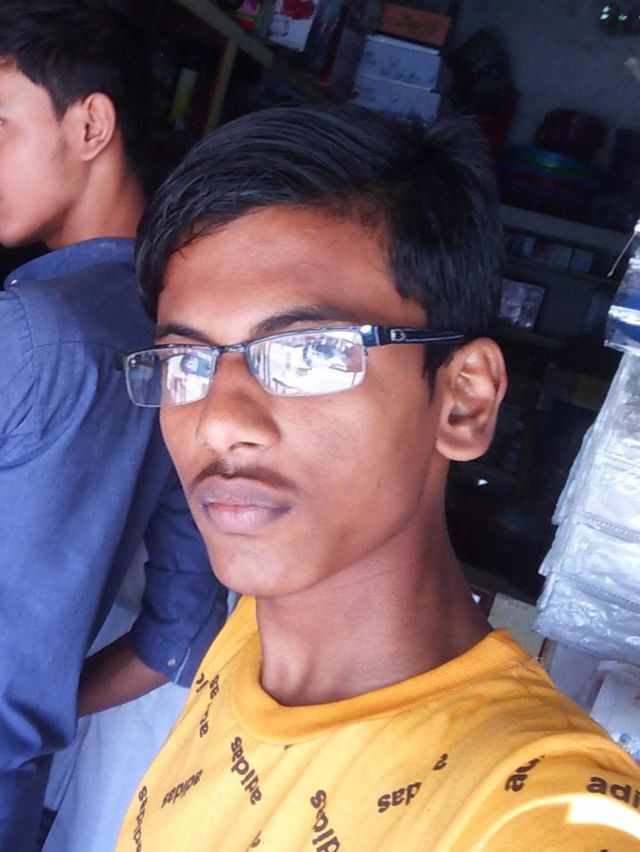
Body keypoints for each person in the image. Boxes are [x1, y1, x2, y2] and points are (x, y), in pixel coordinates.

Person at [116, 102, 640, 850]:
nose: (217, 422)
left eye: (310, 353)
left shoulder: (537, 806)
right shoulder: (254, 635)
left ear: (463, 401)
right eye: (185, 362)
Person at [0, 3, 228, 850]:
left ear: (91, 124)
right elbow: (178, 632)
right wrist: (37, 706)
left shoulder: (28, 329)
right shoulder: (182, 343)